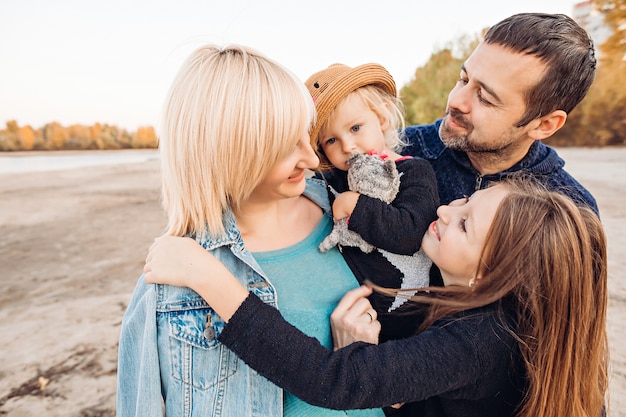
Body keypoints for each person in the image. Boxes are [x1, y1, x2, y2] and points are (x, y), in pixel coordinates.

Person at [144, 175, 609, 417]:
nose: (446, 209)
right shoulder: (501, 319)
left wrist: (211, 279)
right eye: (465, 202)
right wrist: (384, 382)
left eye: (465, 224)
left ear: (495, 270)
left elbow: (329, 382)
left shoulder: (482, 339)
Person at [116, 44, 383, 417]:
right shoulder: (171, 285)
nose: (310, 158)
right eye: (287, 145)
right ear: (234, 151)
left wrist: (359, 364)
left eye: (307, 135)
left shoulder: (343, 204)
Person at [401, 12, 599, 214]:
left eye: (485, 98)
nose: (455, 101)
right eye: (464, 79)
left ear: (544, 125)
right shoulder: (397, 148)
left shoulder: (570, 213)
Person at [304, 63, 439, 341]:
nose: (347, 146)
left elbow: (411, 233)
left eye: (355, 127)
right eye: (331, 140)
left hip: (412, 317)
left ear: (382, 118)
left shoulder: (413, 171)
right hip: (356, 319)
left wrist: (357, 206)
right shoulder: (334, 181)